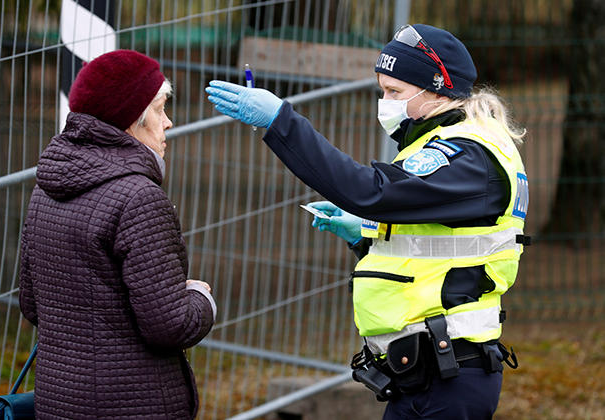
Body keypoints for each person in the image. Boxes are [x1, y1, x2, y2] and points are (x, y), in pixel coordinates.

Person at [206, 23, 528, 419]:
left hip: (452, 374)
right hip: (421, 373)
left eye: (395, 92)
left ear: (438, 90)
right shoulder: (444, 145)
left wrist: (281, 122)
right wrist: (366, 233)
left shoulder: (468, 156)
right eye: (382, 90)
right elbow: (433, 236)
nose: (385, 102)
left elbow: (370, 193)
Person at [20, 50, 216, 419]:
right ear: (131, 121)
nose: (168, 122)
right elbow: (171, 326)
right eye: (159, 110)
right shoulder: (138, 199)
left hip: (59, 401)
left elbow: (32, 304)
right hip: (134, 405)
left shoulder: (45, 188)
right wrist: (201, 298)